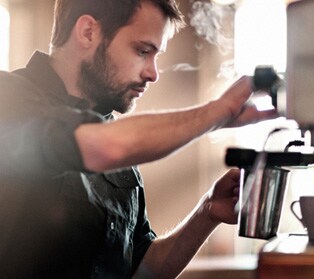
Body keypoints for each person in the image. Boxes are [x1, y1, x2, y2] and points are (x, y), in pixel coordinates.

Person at [0, 0, 276, 278]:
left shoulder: (116, 135)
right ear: (87, 32)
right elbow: (102, 146)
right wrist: (217, 112)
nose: (153, 73)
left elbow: (141, 269)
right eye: (142, 51)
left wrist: (208, 213)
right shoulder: (8, 98)